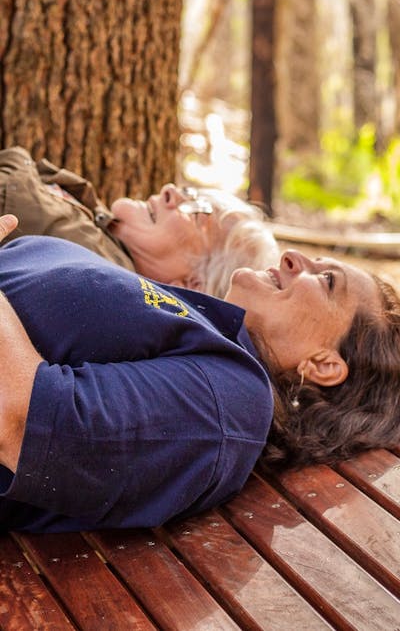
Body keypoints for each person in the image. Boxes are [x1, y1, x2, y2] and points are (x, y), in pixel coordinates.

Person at [0, 213, 398, 534]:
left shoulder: (230, 404)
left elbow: (18, 420)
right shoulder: (213, 335)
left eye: (327, 281)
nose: (291, 256)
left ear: (323, 364)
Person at [0, 146, 279, 296]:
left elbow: (12, 186)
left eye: (197, 211)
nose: (171, 190)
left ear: (192, 284)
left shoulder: (96, 268)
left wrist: (20, 159)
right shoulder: (101, 236)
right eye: (188, 192)